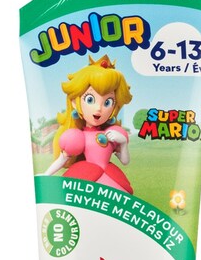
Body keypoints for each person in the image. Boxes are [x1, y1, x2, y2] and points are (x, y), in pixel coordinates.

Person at [45, 55, 134, 192]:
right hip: (87, 174)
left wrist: (123, 143)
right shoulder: (77, 137)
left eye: (108, 102)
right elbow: (62, 159)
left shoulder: (112, 134)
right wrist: (45, 175)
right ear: (75, 103)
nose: (99, 108)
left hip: (111, 176)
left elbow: (125, 161)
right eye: (90, 99)